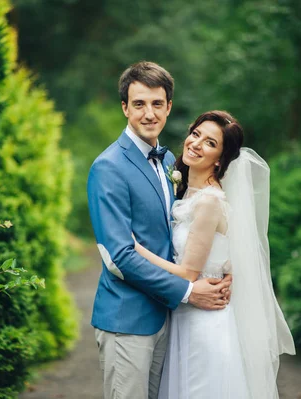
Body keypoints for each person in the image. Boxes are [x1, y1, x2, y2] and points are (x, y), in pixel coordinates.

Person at [87, 62, 232, 399]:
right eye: (139, 104)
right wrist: (187, 290)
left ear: (169, 107)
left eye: (156, 103)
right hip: (128, 322)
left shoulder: (171, 164)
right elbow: (118, 256)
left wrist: (228, 273)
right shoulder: (108, 167)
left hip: (171, 320)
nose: (148, 113)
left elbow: (196, 229)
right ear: (124, 107)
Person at [133, 110, 296, 398]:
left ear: (220, 159)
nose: (196, 144)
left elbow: (188, 273)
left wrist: (136, 249)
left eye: (210, 143)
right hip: (184, 318)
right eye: (195, 134)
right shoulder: (186, 191)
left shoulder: (209, 201)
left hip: (203, 325)